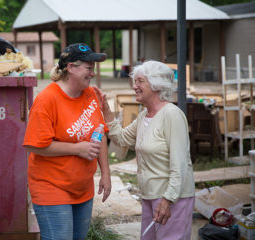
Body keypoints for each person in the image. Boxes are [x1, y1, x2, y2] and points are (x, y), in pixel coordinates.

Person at [94, 60, 195, 240]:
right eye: (135, 81)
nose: (134, 86)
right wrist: (106, 110)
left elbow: (179, 165)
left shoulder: (172, 115)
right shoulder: (144, 116)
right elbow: (122, 138)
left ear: (156, 85)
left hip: (171, 198)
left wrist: (167, 200)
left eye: (140, 81)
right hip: (150, 195)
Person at [23, 43, 112, 240]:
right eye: (89, 68)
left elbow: (101, 132)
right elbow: (33, 145)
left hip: (83, 188)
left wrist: (105, 173)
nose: (92, 73)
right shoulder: (47, 99)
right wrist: (77, 149)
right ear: (71, 67)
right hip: (51, 187)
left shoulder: (89, 93)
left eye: (93, 68)